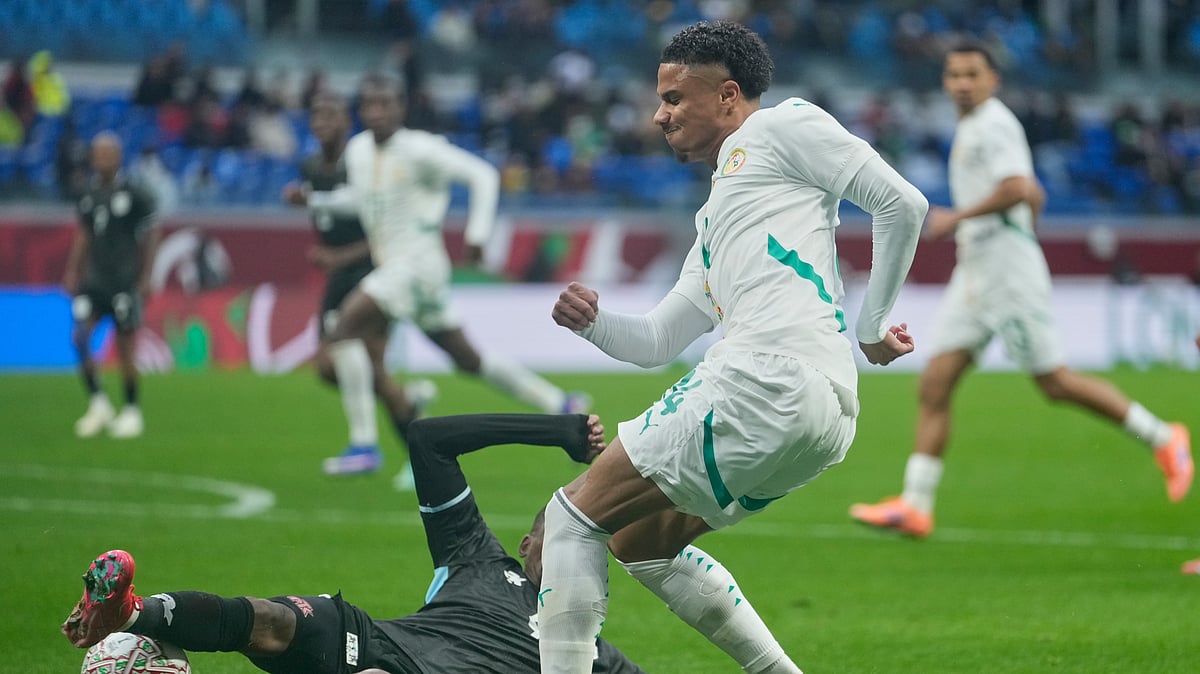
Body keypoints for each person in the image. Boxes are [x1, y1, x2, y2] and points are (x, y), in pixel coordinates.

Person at [537, 21, 926, 673]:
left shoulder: (781, 126)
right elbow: (657, 340)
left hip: (764, 379)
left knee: (568, 521)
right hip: (823, 417)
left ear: (727, 96)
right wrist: (592, 322)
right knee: (640, 542)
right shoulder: (718, 219)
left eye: (673, 98)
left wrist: (871, 326)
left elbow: (901, 204)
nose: (659, 115)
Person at [849, 41, 1193, 539]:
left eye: (972, 74)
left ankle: (1164, 436)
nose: (962, 83)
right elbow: (1032, 190)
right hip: (978, 268)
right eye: (954, 74)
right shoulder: (975, 127)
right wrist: (1018, 211)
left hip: (1006, 267)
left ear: (993, 80)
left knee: (1053, 383)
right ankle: (915, 504)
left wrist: (957, 218)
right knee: (936, 382)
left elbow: (1015, 185)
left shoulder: (995, 123)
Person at [61, 413, 646, 673]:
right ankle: (133, 613)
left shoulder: (586, 646)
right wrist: (556, 432)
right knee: (278, 620)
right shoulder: (476, 556)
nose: (572, 542)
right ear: (526, 543)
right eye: (558, 529)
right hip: (368, 638)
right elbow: (429, 440)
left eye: (584, 536)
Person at [284, 73, 590, 477]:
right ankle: (560, 403)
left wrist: (478, 233)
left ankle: (365, 444)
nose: (376, 112)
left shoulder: (420, 149)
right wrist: (315, 199)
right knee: (467, 358)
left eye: (385, 104)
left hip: (416, 263)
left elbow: (483, 175)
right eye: (369, 105)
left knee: (343, 331)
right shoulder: (358, 151)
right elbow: (360, 201)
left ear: (401, 107)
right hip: (399, 268)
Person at [285, 92, 435, 480]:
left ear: (347, 123)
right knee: (334, 369)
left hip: (374, 275)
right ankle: (415, 426)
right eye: (316, 115)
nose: (322, 122)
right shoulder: (312, 167)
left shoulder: (363, 164)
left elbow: (383, 228)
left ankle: (379, 447)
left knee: (359, 362)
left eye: (330, 114)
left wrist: (339, 256)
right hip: (340, 278)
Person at [62, 132, 161, 439]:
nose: (102, 159)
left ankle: (132, 410)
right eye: (98, 153)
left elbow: (152, 232)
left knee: (125, 347)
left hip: (124, 281)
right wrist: (72, 270)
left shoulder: (134, 192)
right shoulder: (88, 194)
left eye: (108, 153)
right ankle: (98, 402)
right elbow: (84, 234)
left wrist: (146, 277)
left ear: (119, 157)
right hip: (94, 281)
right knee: (79, 337)